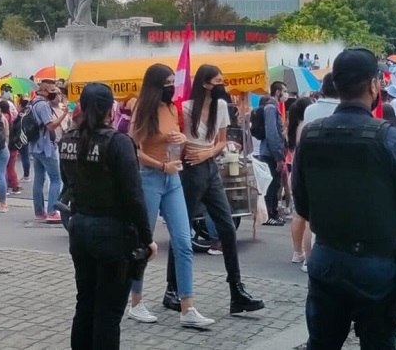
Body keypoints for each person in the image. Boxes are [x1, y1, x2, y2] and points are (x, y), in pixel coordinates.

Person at [292, 47, 396, 349]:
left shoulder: (310, 136)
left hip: (326, 257)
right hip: (376, 262)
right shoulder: (391, 139)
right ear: (373, 85)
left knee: (321, 343)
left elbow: (301, 203)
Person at [59, 83, 158, 349]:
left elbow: (67, 183)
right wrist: (147, 238)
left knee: (86, 302)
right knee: (108, 312)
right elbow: (133, 196)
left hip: (79, 229)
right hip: (112, 234)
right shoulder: (118, 142)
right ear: (109, 109)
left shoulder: (67, 139)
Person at [165, 65, 266, 315]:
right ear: (204, 83)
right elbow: (178, 137)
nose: (221, 85)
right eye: (217, 81)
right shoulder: (186, 107)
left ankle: (236, 290)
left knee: (227, 227)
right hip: (190, 169)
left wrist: (208, 152)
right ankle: (171, 288)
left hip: (209, 167)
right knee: (182, 229)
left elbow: (221, 141)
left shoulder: (221, 107)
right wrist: (190, 150)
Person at [128, 64, 214, 327]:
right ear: (155, 85)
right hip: (151, 178)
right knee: (144, 242)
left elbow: (176, 140)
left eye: (172, 82)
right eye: (167, 83)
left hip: (173, 177)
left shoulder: (172, 107)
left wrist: (181, 141)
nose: (171, 87)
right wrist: (161, 165)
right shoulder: (142, 110)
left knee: (183, 241)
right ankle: (136, 302)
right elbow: (134, 150)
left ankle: (187, 308)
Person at [30, 80, 69, 221]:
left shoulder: (33, 102)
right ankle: (52, 212)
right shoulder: (43, 106)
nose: (55, 93)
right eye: (52, 90)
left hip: (34, 145)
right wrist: (64, 115)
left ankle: (39, 211)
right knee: (56, 179)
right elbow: (50, 126)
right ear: (45, 91)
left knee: (39, 179)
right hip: (45, 146)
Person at [287, 97, 315, 273]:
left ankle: (297, 252)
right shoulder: (306, 126)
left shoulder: (290, 128)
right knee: (310, 219)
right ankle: (307, 256)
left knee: (298, 214)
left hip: (294, 172)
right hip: (306, 172)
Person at [260, 81, 288, 225]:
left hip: (273, 152)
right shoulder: (271, 107)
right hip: (270, 153)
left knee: (276, 184)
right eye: (284, 91)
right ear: (277, 92)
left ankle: (274, 213)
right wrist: (278, 157)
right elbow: (272, 133)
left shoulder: (275, 107)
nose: (286, 94)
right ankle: (268, 214)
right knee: (271, 185)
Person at [0, 100, 21, 195]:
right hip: (14, 144)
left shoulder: (3, 117)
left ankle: (10, 186)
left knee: (7, 167)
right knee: (11, 166)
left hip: (8, 145)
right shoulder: (11, 116)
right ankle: (14, 185)